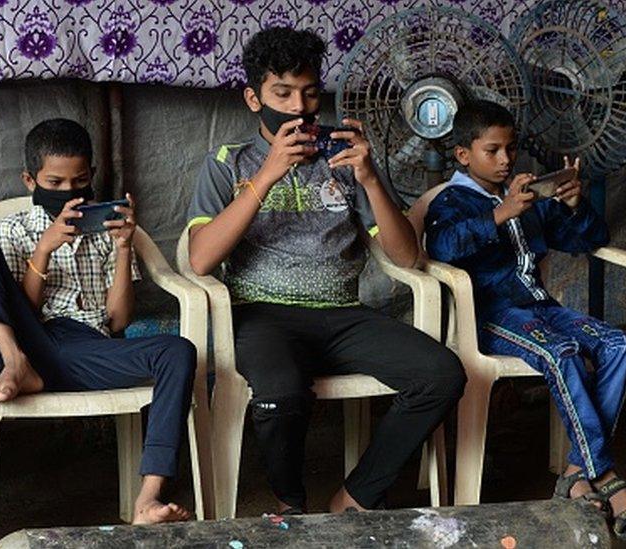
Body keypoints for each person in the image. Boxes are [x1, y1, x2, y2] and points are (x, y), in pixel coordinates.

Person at [186, 27, 466, 514]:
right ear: (254, 99)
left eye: (310, 93)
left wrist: (369, 177)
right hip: (260, 315)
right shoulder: (227, 162)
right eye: (283, 93)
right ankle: (290, 504)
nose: (298, 106)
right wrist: (268, 173)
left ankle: (354, 498)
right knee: (280, 392)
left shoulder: (341, 157)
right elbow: (201, 259)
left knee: (441, 374)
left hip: (343, 315)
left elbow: (405, 258)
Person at [424, 99, 626, 541]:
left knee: (619, 345)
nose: (505, 159)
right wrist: (498, 215)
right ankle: (606, 478)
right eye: (492, 150)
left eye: (510, 149)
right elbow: (440, 248)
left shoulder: (527, 195)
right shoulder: (452, 201)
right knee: (563, 352)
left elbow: (589, 239)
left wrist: (574, 204)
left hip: (543, 309)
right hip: (492, 316)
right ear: (462, 155)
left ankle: (576, 470)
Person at [0, 118, 197, 524]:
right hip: (30, 343)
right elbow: (21, 310)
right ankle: (16, 363)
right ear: (30, 180)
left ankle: (148, 499)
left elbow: (117, 321)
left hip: (89, 351)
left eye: (78, 182)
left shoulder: (105, 232)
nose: (68, 193)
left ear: (91, 176)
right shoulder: (14, 229)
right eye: (55, 182)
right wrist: (43, 249)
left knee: (178, 351)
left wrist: (122, 249)